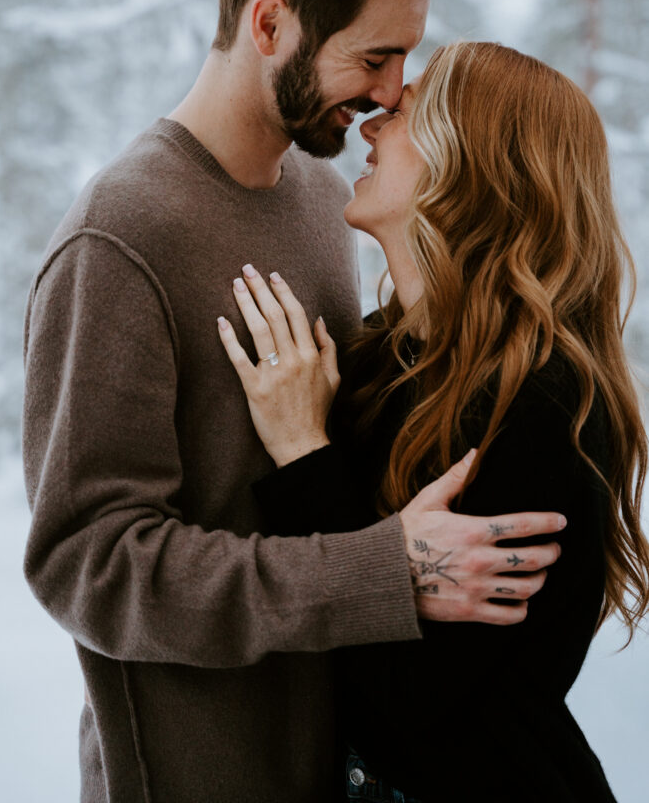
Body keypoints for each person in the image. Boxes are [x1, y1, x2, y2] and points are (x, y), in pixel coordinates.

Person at [22, 0, 565, 803]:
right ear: (269, 25)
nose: (392, 94)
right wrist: (376, 571)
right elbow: (89, 564)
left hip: (342, 769)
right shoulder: (120, 237)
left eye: (406, 60)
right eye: (374, 58)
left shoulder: (323, 198)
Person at [218, 41, 649, 802]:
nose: (370, 127)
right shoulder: (390, 360)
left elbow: (408, 711)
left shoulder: (540, 404)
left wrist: (302, 450)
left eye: (406, 112)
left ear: (471, 165)